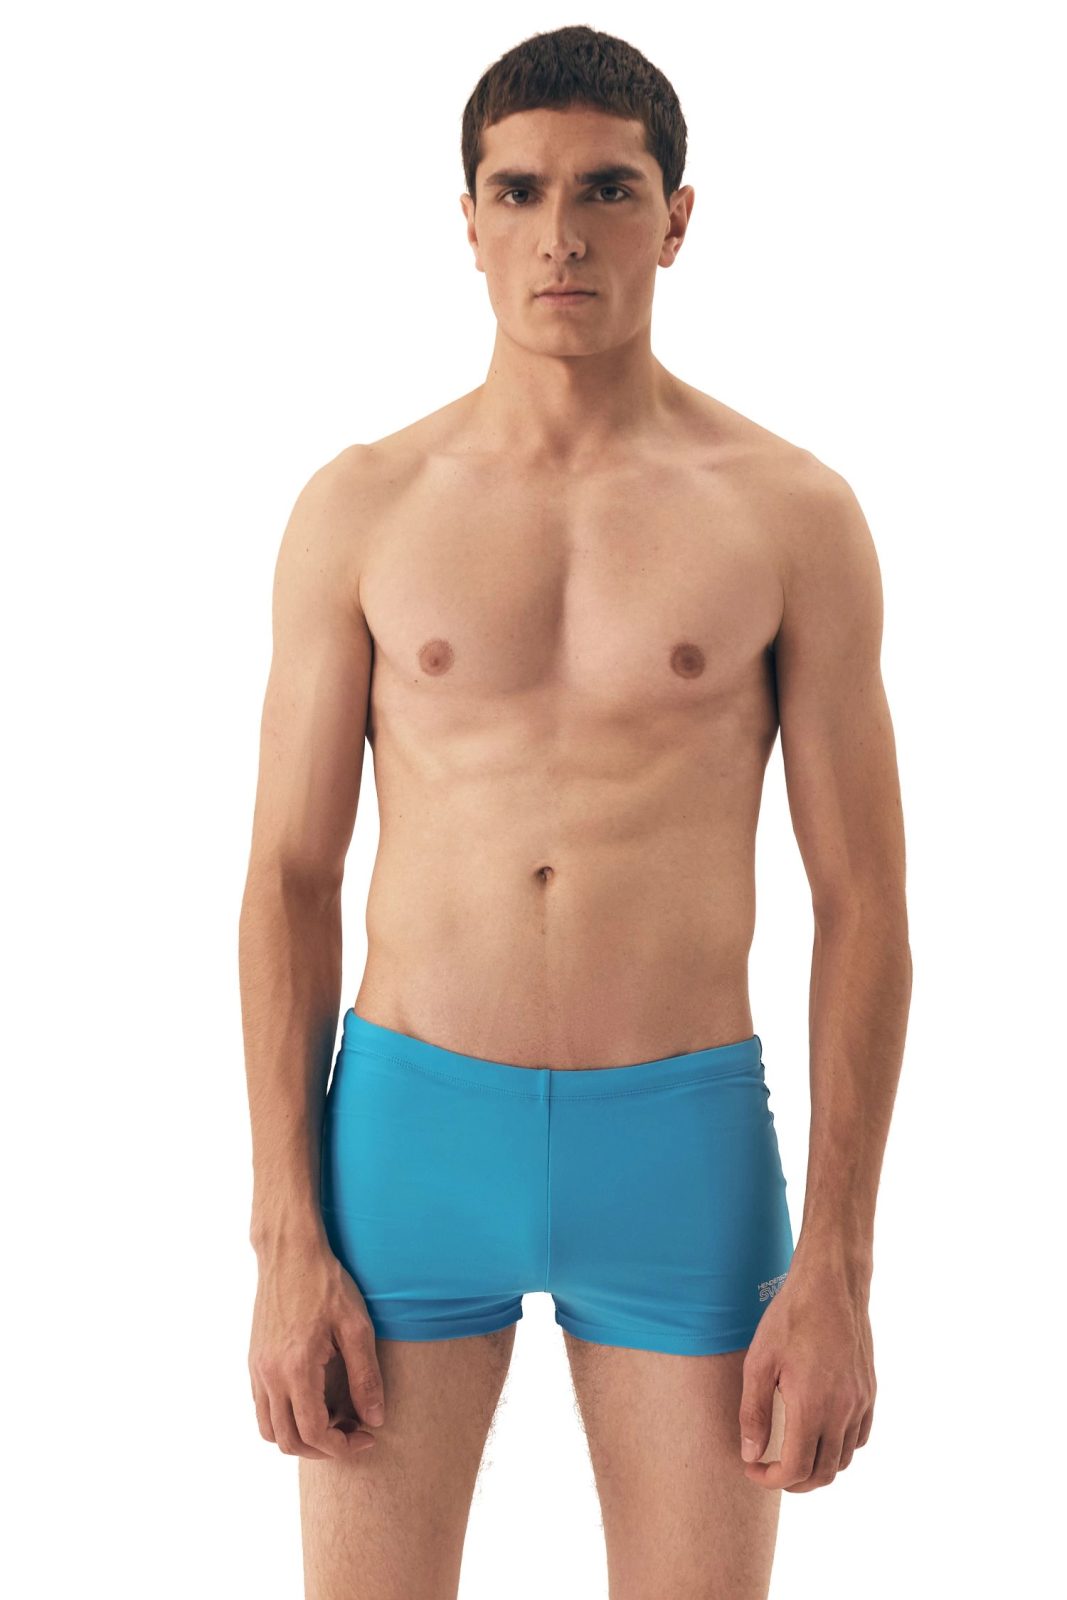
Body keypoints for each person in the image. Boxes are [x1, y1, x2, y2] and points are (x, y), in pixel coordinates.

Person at [239, 23, 911, 1600]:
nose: (563, 233)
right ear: (467, 219)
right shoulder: (363, 506)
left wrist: (839, 1263)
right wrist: (284, 1235)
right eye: (521, 190)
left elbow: (866, 905)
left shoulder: (792, 515)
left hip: (681, 1146)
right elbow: (287, 875)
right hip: (407, 1136)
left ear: (677, 219)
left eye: (609, 189)